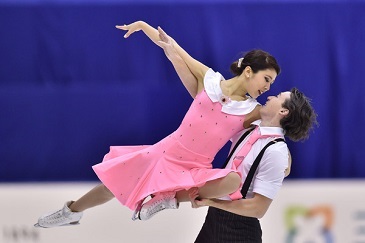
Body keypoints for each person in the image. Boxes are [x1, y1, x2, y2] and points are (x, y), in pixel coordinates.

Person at [35, 21, 281, 228]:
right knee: (112, 184)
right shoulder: (210, 81)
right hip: (166, 152)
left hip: (195, 167)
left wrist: (286, 157)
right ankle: (71, 212)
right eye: (266, 79)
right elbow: (173, 48)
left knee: (232, 181)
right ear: (248, 71)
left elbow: (278, 127)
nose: (268, 87)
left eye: (271, 84)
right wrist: (143, 26)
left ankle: (168, 200)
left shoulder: (252, 111)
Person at [186, 88, 318, 242]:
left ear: (284, 111)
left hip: (240, 232)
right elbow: (211, 104)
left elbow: (258, 208)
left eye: (277, 96)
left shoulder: (276, 152)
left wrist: (213, 201)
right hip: (213, 220)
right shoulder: (251, 128)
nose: (270, 96)